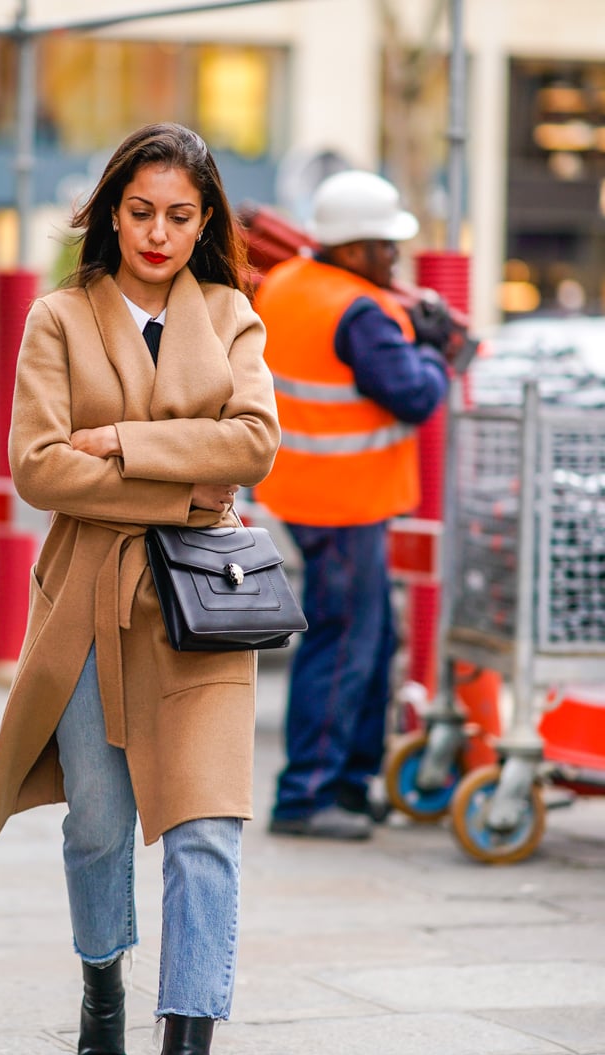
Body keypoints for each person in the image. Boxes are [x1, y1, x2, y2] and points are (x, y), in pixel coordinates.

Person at [0, 124, 279, 1055]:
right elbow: (40, 469)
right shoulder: (58, 319)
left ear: (206, 223)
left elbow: (256, 445)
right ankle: (104, 981)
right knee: (100, 826)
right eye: (141, 211)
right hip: (91, 604)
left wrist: (121, 446)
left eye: (180, 215)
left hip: (202, 606)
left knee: (207, 835)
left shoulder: (233, 314)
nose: (158, 232)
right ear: (112, 211)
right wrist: (184, 480)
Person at [254, 169, 452, 841]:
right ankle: (310, 793)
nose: (394, 258)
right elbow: (417, 396)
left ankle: (349, 780)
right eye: (385, 246)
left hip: (303, 491)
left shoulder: (287, 286)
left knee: (369, 637)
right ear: (352, 249)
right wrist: (433, 349)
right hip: (344, 499)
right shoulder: (359, 310)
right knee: (345, 644)